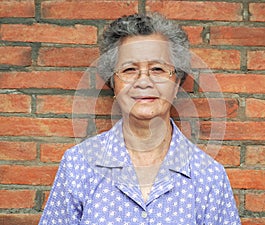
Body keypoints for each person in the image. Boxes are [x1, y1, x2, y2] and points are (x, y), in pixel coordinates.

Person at [39, 13, 241, 225]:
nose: (143, 81)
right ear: (113, 83)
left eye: (158, 69)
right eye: (129, 69)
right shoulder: (78, 164)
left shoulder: (209, 176)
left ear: (176, 83)